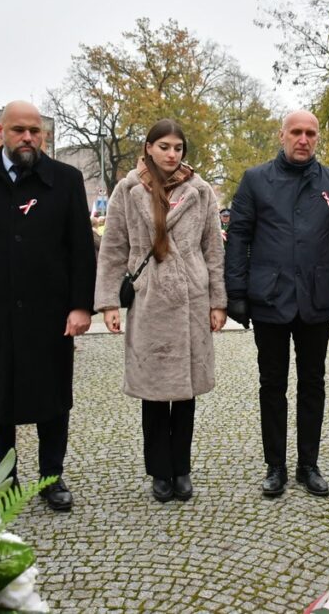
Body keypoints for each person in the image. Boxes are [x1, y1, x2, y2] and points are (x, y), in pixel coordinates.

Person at [0, 101, 96, 512]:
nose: (28, 138)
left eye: (35, 130)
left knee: (53, 400)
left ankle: (51, 478)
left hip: (50, 314)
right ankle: (3, 480)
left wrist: (81, 306)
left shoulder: (65, 180)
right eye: (19, 130)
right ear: (1, 131)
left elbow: (81, 250)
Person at [224, 109, 329, 498]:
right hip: (269, 297)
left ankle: (308, 464)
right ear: (282, 135)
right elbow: (239, 237)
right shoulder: (255, 180)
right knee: (272, 384)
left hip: (316, 298)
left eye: (310, 133)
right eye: (296, 132)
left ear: (317, 138)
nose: (303, 139)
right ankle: (276, 465)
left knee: (313, 383)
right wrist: (236, 293)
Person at [94, 120, 226, 503]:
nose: (171, 154)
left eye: (178, 148)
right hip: (149, 296)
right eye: (164, 146)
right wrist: (108, 302)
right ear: (148, 148)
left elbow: (213, 249)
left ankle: (181, 469)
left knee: (185, 393)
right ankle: (159, 471)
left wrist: (218, 301)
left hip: (191, 296)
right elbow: (113, 248)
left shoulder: (200, 190)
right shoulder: (128, 189)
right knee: (154, 392)